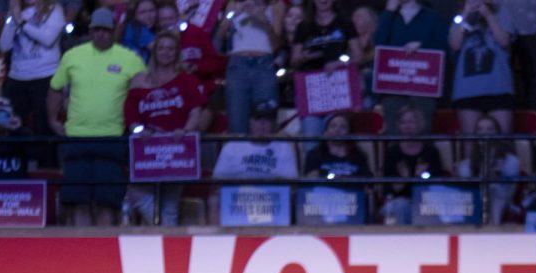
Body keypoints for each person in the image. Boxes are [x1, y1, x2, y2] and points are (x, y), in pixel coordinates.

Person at [47, 6, 147, 225]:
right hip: (77, 137)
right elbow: (55, 88)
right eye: (96, 30)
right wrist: (52, 120)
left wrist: (137, 124)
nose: (100, 34)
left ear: (114, 31)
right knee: (78, 201)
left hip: (112, 137)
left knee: (107, 202)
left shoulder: (131, 59)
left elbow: (143, 95)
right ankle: (82, 253)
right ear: (90, 31)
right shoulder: (72, 56)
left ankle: (106, 252)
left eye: (105, 30)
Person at [122, 29, 207, 225]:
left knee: (170, 204)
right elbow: (130, 116)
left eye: (170, 49)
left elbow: (196, 111)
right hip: (147, 149)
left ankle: (167, 244)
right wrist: (139, 131)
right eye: (161, 48)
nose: (165, 52)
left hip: (176, 149)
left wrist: (185, 131)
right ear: (155, 52)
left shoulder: (187, 80)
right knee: (136, 193)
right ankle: (162, 231)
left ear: (177, 52)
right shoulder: (139, 80)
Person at [0, 0, 65, 164]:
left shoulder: (54, 10)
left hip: (45, 76)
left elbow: (48, 39)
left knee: (44, 128)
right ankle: (15, 172)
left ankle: (49, 176)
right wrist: (13, 17)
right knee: (12, 127)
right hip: (17, 77)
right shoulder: (16, 13)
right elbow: (4, 46)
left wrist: (21, 22)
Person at [373, 0, 449, 131]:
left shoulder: (433, 17)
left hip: (423, 86)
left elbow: (443, 46)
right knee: (393, 132)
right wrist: (389, 12)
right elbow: (378, 43)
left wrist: (422, 46)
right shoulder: (389, 16)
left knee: (422, 128)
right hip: (393, 87)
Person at [290, 0, 360, 138]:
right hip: (310, 88)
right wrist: (303, 57)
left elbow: (359, 57)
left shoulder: (345, 23)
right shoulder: (303, 26)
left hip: (337, 85)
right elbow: (294, 60)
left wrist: (339, 63)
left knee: (337, 137)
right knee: (310, 138)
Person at [449, 0, 514, 140]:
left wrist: (488, 15)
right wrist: (466, 14)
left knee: (502, 142)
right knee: (470, 143)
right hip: (467, 90)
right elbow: (455, 44)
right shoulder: (460, 17)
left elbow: (504, 41)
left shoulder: (502, 13)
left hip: (498, 87)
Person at [216, 0, 281, 135]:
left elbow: (277, 45)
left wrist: (263, 21)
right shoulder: (234, 4)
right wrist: (233, 14)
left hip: (264, 65)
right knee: (237, 121)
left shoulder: (276, 5)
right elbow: (219, 36)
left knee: (266, 120)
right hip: (238, 66)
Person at [380, 105, 446, 224]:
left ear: (420, 125)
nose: (407, 126)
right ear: (399, 126)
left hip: (426, 201)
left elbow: (438, 185)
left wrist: (421, 177)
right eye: (403, 122)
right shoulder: (392, 152)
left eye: (412, 122)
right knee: (400, 206)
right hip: (399, 200)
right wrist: (403, 180)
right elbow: (386, 189)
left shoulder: (431, 151)